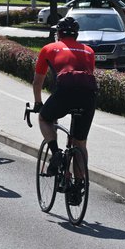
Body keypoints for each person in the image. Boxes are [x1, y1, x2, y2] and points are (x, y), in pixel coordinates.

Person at [31, 16, 98, 177]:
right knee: (80, 143)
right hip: (89, 95)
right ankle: (79, 185)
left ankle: (56, 154)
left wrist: (38, 102)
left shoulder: (49, 48)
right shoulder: (89, 50)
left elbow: (37, 81)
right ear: (76, 35)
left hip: (65, 91)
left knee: (44, 118)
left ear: (59, 34)